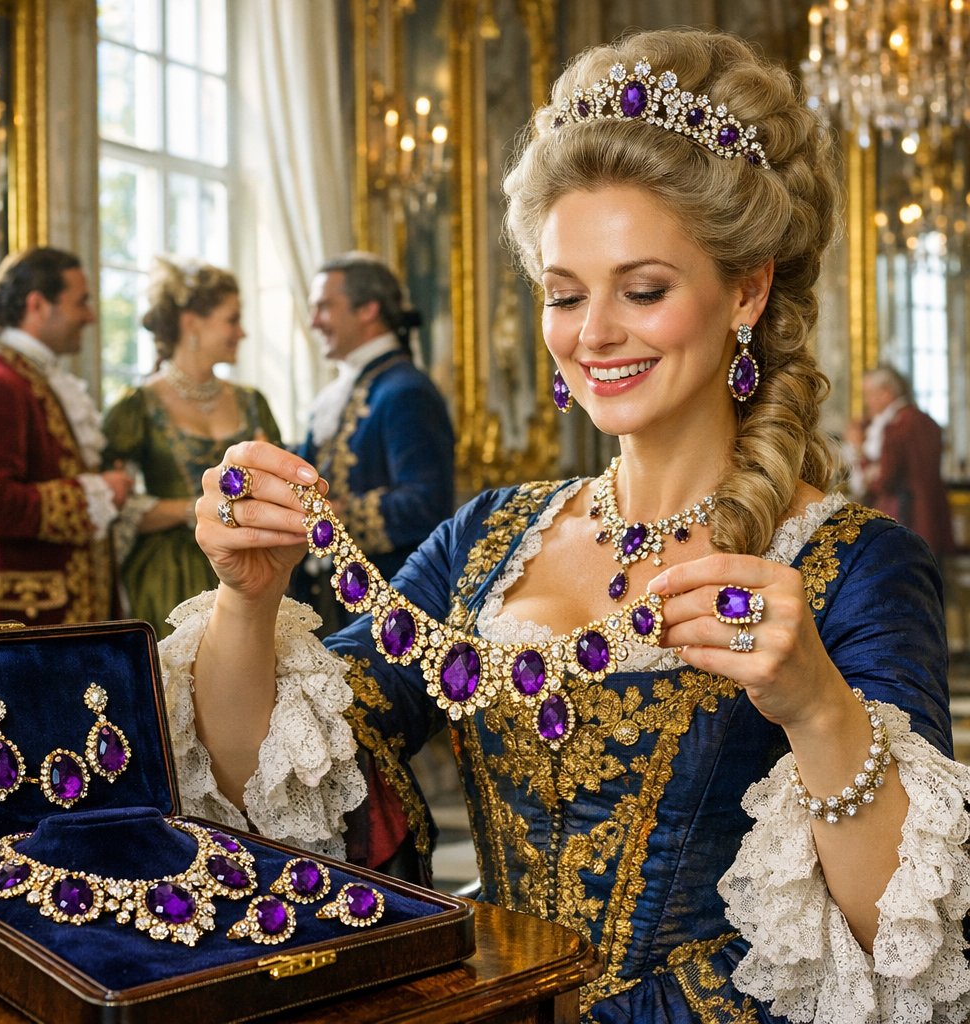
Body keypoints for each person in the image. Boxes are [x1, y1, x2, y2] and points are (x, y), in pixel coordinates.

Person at [159, 30, 970, 1024]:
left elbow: (901, 945)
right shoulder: (484, 540)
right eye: (563, 293)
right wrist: (250, 599)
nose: (592, 334)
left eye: (643, 289)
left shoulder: (858, 566)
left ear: (747, 289)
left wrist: (814, 706)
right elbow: (277, 796)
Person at [0, 246, 132, 625]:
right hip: (20, 616)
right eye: (80, 302)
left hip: (53, 609)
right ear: (38, 305)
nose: (90, 316)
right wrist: (95, 494)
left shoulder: (28, 377)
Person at [102, 256, 282, 638]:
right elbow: (112, 507)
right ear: (191, 324)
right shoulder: (137, 409)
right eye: (232, 319)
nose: (242, 332)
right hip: (169, 576)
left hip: (250, 564)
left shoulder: (253, 403)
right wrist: (196, 509)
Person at [293, 252, 454, 631]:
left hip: (390, 610)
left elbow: (427, 503)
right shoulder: (349, 390)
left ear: (367, 309)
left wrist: (330, 516)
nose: (314, 321)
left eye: (324, 307)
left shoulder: (405, 391)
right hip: (339, 606)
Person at [846, 365, 955, 561]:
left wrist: (861, 454)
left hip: (907, 516)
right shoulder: (926, 420)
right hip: (933, 516)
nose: (867, 402)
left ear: (886, 392)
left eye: (870, 394)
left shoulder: (896, 426)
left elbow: (884, 480)